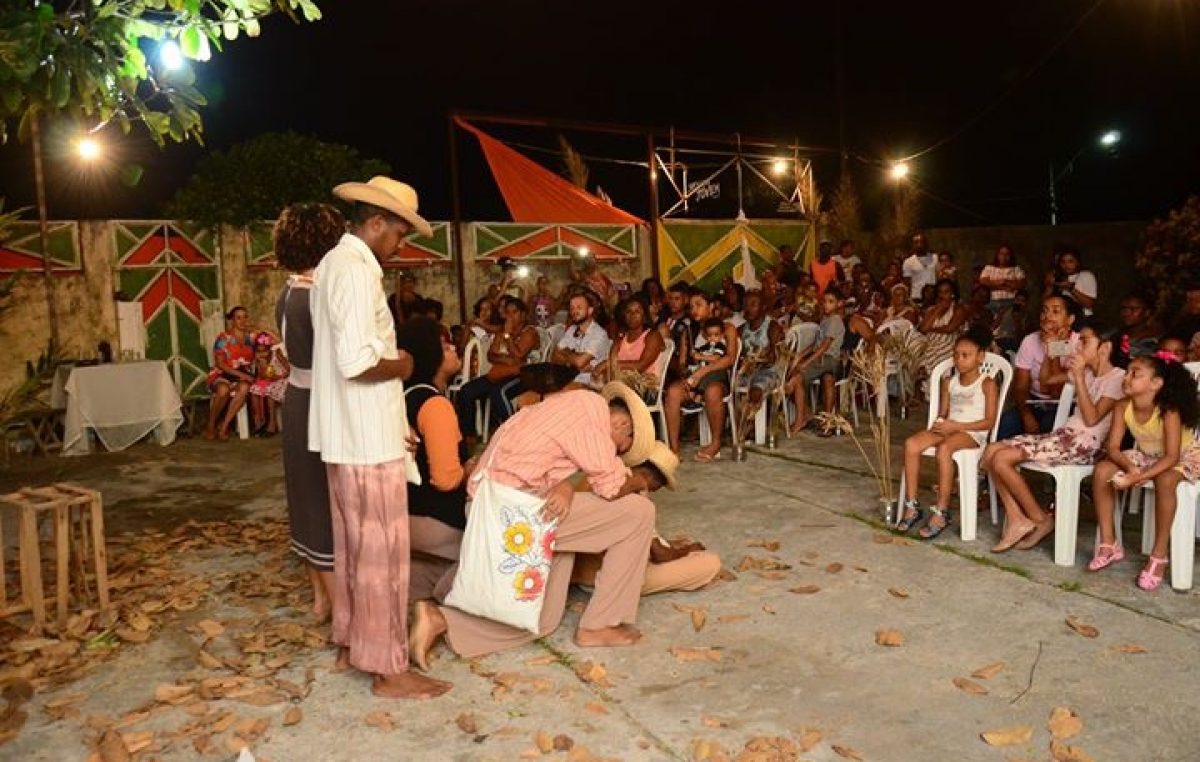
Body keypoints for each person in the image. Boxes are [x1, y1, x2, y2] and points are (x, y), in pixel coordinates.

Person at [309, 175, 448, 700]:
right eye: (398, 233)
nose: (401, 245)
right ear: (375, 223)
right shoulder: (355, 270)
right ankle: (389, 668)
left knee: (355, 550)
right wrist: (405, 364)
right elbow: (358, 361)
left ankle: (353, 642)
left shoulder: (333, 266)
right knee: (383, 557)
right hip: (363, 441)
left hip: (355, 433)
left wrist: (396, 421)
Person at [408, 383, 659, 665]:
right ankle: (601, 624)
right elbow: (612, 486)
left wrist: (564, 488)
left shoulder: (558, 407)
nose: (615, 454)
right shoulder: (590, 409)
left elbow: (540, 461)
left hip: (495, 505)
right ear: (622, 423)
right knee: (639, 511)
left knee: (543, 619)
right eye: (620, 447)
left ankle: (441, 621)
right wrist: (641, 481)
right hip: (509, 510)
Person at [983, 324, 1128, 552]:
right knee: (991, 451)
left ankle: (1039, 519)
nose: (1078, 345)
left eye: (1085, 341)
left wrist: (1078, 377)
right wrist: (1053, 350)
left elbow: (1091, 420)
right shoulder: (1086, 372)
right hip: (1064, 437)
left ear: (1105, 348)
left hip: (1085, 444)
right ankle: (1016, 517)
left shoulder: (1118, 378)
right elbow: (1046, 380)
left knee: (1001, 459)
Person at [273, 202, 345, 620]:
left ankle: (320, 596)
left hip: (298, 398)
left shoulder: (289, 290)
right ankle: (338, 605)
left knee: (304, 496)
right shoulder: (314, 296)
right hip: (320, 402)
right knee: (321, 499)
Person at [1088, 353, 1200, 590]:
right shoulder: (1122, 407)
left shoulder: (1168, 410)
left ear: (1156, 384)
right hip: (1150, 456)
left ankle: (1158, 555)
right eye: (1127, 372)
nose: (1126, 378)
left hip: (1184, 455)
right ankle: (1109, 544)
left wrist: (1137, 477)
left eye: (1135, 374)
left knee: (1165, 479)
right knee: (1102, 470)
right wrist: (1130, 468)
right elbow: (1113, 448)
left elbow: (1172, 457)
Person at [395, 317, 473, 602]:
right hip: (434, 520)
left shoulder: (399, 396)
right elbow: (445, 480)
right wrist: (468, 468)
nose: (452, 347)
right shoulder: (435, 405)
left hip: (401, 514)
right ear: (430, 356)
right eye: (443, 345)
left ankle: (419, 581)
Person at [897, 325, 999, 539]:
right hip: (950, 427)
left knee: (945, 449)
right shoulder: (949, 382)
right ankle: (912, 505)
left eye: (966, 355)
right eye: (956, 355)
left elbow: (989, 422)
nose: (959, 360)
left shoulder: (987, 384)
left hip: (972, 432)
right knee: (911, 444)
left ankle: (941, 511)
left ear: (980, 357)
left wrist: (956, 427)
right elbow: (943, 412)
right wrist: (940, 423)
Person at [662, 292, 740, 462]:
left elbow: (730, 358)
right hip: (694, 378)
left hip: (717, 377)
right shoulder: (690, 331)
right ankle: (674, 449)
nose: (694, 310)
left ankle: (716, 442)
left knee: (713, 392)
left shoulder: (727, 328)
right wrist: (685, 373)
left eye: (699, 304)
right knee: (673, 393)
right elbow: (682, 362)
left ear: (711, 306)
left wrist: (702, 372)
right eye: (691, 306)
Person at [997, 295, 1081, 440]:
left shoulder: (1079, 344)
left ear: (1070, 319)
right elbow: (1021, 386)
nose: (1047, 316)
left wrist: (1054, 348)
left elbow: (1057, 392)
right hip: (1033, 403)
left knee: (1049, 426)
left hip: (1066, 406)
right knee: (1006, 424)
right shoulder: (1030, 341)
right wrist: (1027, 416)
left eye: (1055, 312)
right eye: (1044, 311)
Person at [455, 296, 538, 439]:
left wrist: (507, 335)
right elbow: (491, 355)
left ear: (523, 315)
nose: (510, 316)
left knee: (498, 392)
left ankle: (513, 432)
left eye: (514, 312)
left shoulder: (529, 332)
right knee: (465, 391)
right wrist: (507, 360)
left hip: (521, 376)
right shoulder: (501, 331)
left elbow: (518, 355)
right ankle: (468, 434)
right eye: (507, 312)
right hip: (499, 373)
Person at [784, 286, 846, 436]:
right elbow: (816, 344)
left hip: (829, 359)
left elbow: (824, 347)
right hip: (822, 359)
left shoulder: (835, 320)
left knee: (795, 379)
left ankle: (801, 419)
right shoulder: (825, 320)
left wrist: (806, 363)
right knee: (793, 377)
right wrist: (801, 355)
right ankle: (808, 415)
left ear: (839, 304)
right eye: (824, 301)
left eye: (831, 302)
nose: (826, 304)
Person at [205, 306, 255, 440]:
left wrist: (259, 329)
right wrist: (242, 375)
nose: (242, 320)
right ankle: (211, 425)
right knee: (223, 390)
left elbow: (273, 340)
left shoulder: (251, 338)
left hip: (242, 375)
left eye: (245, 317)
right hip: (223, 373)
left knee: (244, 388)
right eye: (238, 318)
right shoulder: (223, 338)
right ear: (232, 320)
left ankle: (224, 427)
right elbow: (220, 363)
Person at [603, 298, 666, 399]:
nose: (632, 315)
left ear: (644, 316)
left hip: (645, 386)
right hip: (621, 385)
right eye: (628, 311)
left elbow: (641, 365)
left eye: (637, 311)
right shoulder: (620, 338)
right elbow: (611, 362)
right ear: (624, 316)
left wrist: (609, 364)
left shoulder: (652, 335)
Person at [738, 290, 783, 421]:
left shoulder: (772, 327)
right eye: (745, 305)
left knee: (755, 391)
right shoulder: (741, 330)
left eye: (753, 305)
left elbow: (773, 358)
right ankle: (741, 422)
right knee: (730, 389)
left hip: (769, 371)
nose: (748, 309)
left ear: (763, 307)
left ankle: (751, 424)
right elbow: (738, 356)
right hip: (748, 372)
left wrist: (759, 359)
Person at [549, 291, 611, 387]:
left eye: (579, 307)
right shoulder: (572, 329)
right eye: (572, 308)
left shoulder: (599, 334)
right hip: (569, 379)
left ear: (590, 310)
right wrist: (571, 362)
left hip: (589, 384)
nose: (574, 311)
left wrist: (565, 352)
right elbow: (553, 356)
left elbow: (579, 362)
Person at [916, 279, 969, 382]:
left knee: (938, 351)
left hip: (950, 341)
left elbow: (950, 329)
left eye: (946, 292)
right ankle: (925, 381)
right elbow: (923, 329)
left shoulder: (958, 309)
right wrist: (937, 311)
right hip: (930, 341)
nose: (943, 295)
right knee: (919, 350)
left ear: (953, 293)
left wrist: (932, 328)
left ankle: (929, 375)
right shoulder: (932, 310)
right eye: (940, 292)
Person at [248, 332, 289, 436]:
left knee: (270, 392)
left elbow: (288, 369)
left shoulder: (277, 353)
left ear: (269, 349)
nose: (261, 354)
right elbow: (263, 376)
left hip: (283, 379)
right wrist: (263, 366)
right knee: (253, 389)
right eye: (258, 351)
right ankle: (259, 421)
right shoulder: (259, 360)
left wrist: (279, 376)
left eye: (264, 351)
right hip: (270, 379)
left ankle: (272, 423)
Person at [1044, 246, 1097, 318]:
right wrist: (1049, 286)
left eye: (1070, 261)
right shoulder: (1058, 277)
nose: (1066, 265)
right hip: (1060, 319)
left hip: (1084, 317)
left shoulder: (1086, 275)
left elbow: (1089, 304)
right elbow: (1044, 304)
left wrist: (1071, 289)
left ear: (1077, 262)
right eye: (1063, 262)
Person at [979, 244, 1026, 315]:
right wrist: (1001, 284)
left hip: (1011, 302)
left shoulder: (1016, 269)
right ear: (998, 255)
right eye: (1002, 254)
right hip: (993, 301)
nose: (1004, 257)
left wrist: (1003, 282)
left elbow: (1020, 284)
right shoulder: (989, 268)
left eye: (1007, 254)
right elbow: (983, 281)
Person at [1117, 293, 1161, 358]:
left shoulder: (1154, 342)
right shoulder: (1114, 334)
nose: (1126, 313)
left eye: (1133, 309)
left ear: (1147, 312)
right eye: (1124, 308)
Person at [902, 232, 938, 301]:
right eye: (916, 242)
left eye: (922, 242)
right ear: (913, 245)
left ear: (926, 243)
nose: (919, 244)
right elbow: (907, 284)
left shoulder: (935, 258)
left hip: (933, 297)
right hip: (916, 298)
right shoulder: (908, 262)